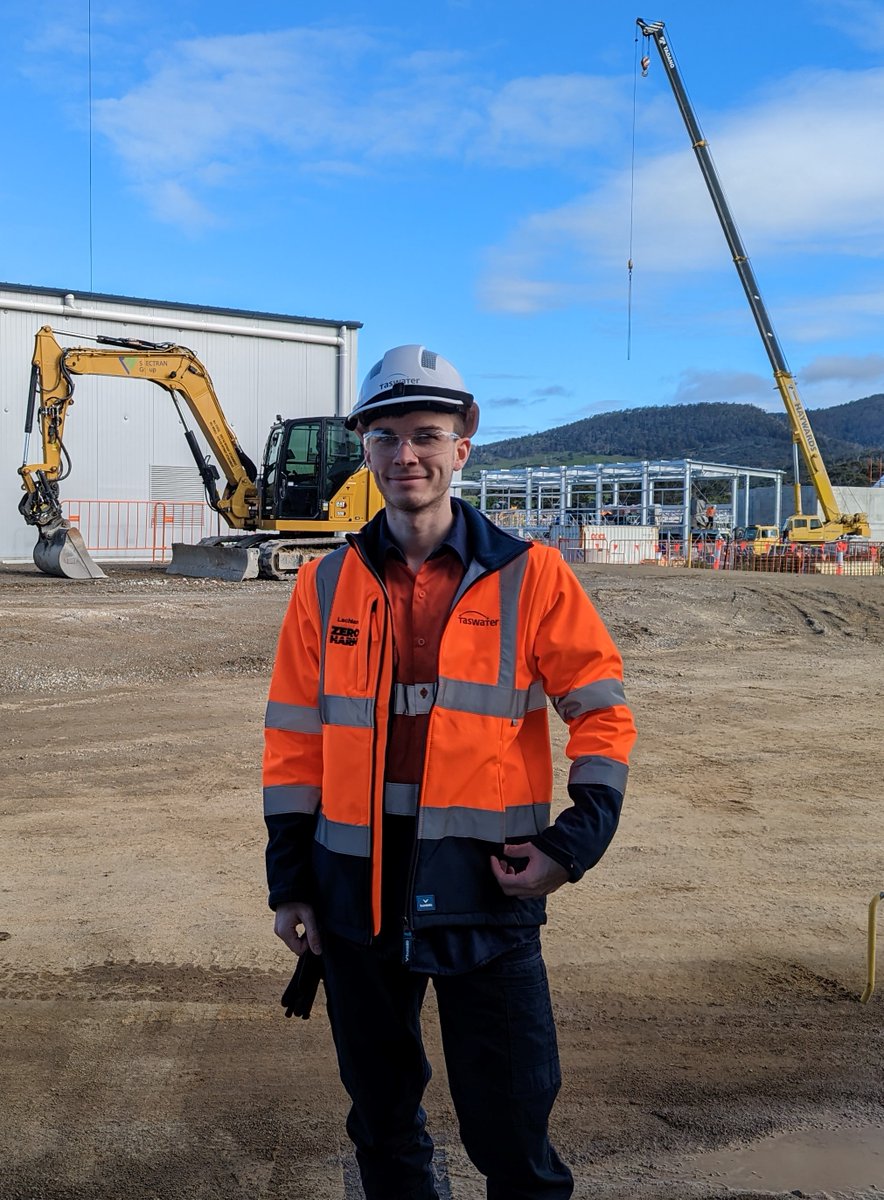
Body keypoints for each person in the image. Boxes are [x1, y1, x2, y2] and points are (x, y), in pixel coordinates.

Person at [263, 344, 636, 1200]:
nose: (406, 456)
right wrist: (292, 883)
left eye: (427, 434)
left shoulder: (530, 574)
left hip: (487, 889)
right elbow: (292, 744)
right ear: (365, 448)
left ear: (464, 444)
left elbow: (602, 712)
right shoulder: (323, 586)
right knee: (383, 1127)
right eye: (386, 436)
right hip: (353, 891)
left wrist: (572, 844)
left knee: (513, 1134)